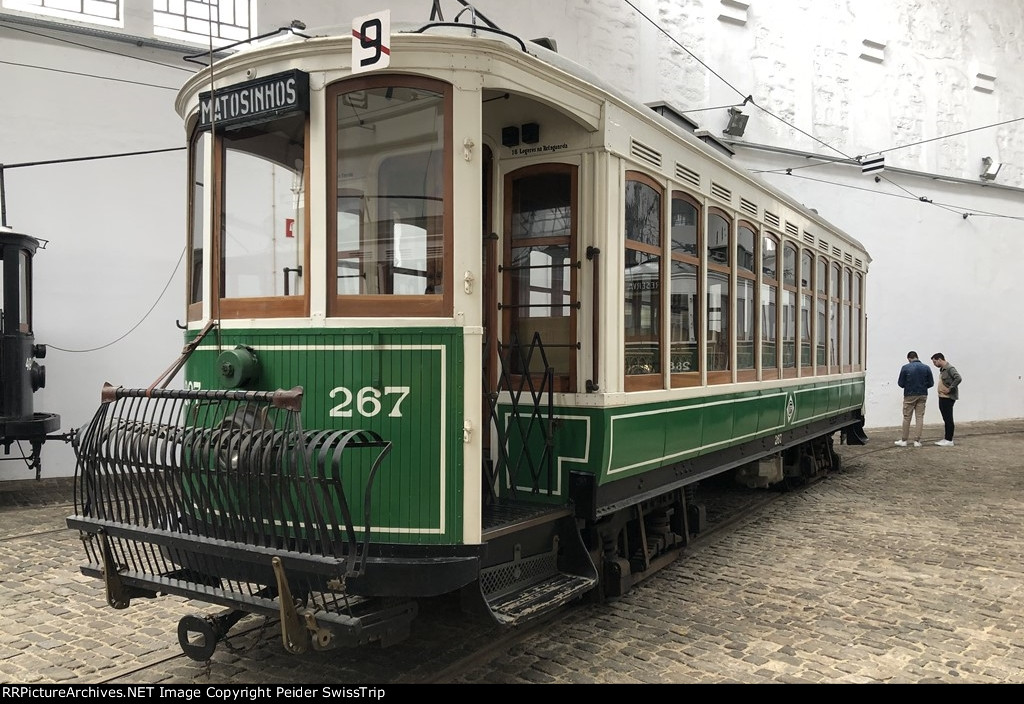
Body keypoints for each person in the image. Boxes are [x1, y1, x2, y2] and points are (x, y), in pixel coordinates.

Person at [895, 350, 933, 447]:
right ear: (917, 357)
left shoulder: (905, 368)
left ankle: (904, 440)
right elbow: (931, 383)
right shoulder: (926, 368)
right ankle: (917, 441)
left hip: (909, 395)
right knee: (919, 417)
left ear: (909, 358)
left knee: (907, 417)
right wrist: (923, 387)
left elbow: (900, 383)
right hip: (923, 394)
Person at [931, 353, 962, 446]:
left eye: (935, 362)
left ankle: (949, 439)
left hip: (948, 397)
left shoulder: (949, 368)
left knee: (948, 418)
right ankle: (946, 438)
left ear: (940, 359)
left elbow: (958, 378)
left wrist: (950, 388)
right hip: (942, 397)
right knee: (945, 418)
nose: (934, 364)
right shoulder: (943, 369)